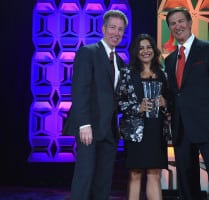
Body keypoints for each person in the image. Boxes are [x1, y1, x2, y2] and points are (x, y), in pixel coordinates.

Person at [164, 7, 209, 200]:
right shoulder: (170, 60)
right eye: (173, 23)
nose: (177, 26)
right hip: (181, 129)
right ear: (169, 27)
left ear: (189, 22)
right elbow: (175, 94)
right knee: (187, 184)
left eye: (181, 21)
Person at [62, 10, 128, 200]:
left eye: (120, 30)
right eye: (113, 28)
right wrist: (84, 124)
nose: (116, 33)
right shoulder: (88, 52)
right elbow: (80, 90)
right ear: (103, 28)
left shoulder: (120, 62)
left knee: (104, 180)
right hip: (89, 128)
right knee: (85, 176)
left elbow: (117, 97)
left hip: (109, 130)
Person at [116, 33, 168, 200]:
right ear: (136, 52)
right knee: (135, 174)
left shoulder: (163, 74)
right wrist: (137, 107)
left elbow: (172, 102)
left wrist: (165, 103)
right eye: (141, 48)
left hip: (157, 130)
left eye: (149, 47)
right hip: (135, 132)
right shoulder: (127, 73)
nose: (146, 51)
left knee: (155, 174)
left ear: (154, 50)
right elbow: (117, 103)